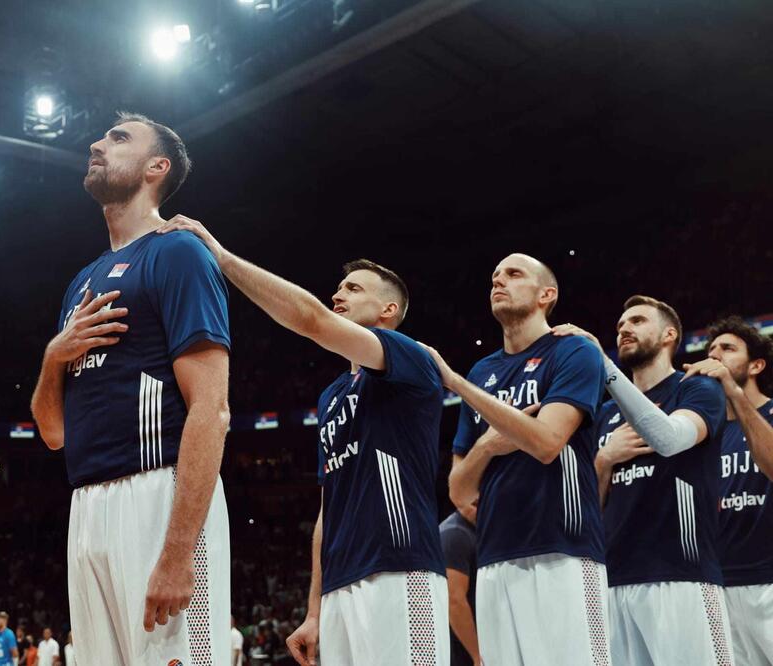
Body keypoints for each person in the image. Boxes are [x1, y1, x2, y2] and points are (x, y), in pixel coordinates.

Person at [159, 218, 448, 666]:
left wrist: (220, 255)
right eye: (339, 288)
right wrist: (314, 609)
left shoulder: (411, 357)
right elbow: (326, 508)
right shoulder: (331, 397)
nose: (338, 295)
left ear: (388, 310)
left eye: (353, 289)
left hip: (401, 570)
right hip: (339, 589)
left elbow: (311, 320)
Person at [30, 112, 231, 666]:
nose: (96, 143)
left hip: (157, 494)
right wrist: (52, 358)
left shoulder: (178, 252)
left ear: (155, 168)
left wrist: (178, 550)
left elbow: (211, 410)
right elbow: (52, 433)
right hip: (86, 503)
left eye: (118, 138)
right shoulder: (81, 282)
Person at [431, 253, 610, 665]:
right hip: (494, 558)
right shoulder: (483, 372)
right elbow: (459, 489)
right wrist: (490, 445)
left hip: (564, 550)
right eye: (494, 276)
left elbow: (548, 442)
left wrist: (456, 383)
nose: (498, 281)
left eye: (513, 274)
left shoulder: (573, 352)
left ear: (547, 294)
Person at [556, 295, 732, 664]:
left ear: (670, 335)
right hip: (614, 580)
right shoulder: (604, 414)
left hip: (681, 577)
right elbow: (586, 504)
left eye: (636, 321)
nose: (624, 330)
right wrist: (604, 459)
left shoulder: (696, 388)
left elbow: (668, 439)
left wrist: (603, 366)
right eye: (620, 326)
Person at [684, 315, 773, 663]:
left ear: (756, 365)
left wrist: (734, 394)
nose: (715, 355)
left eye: (728, 348)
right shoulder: (702, 432)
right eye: (711, 349)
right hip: (718, 585)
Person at [439, 508, 479, 666]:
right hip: (462, 651)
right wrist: (477, 655)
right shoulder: (455, 535)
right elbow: (454, 600)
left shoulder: (475, 529)